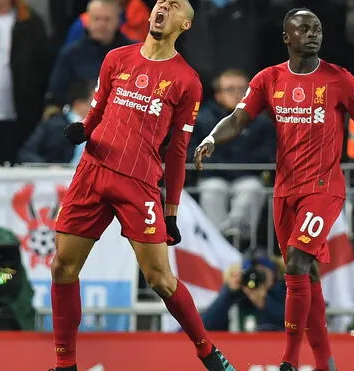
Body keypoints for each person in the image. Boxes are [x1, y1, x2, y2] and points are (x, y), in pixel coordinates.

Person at [194, 8, 354, 371]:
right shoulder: (269, 79)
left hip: (324, 188)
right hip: (285, 190)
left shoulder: (340, 79)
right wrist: (213, 137)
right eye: (303, 28)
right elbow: (240, 118)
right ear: (286, 38)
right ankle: (325, 361)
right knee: (306, 277)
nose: (312, 33)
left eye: (317, 28)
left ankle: (289, 358)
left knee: (295, 261)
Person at [49, 1, 235, 371]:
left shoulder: (187, 81)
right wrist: (83, 130)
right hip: (93, 170)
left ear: (185, 23)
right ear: (150, 15)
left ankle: (207, 352)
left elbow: (178, 150)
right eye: (159, 2)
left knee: (161, 279)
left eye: (174, 4)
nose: (163, 5)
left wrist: (172, 211)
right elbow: (98, 109)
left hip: (139, 183)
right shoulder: (117, 58)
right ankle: (66, 364)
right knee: (62, 268)